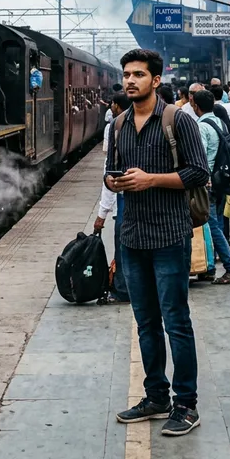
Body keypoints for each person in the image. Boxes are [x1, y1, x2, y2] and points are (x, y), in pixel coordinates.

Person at [106, 48, 208, 436]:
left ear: (156, 80)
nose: (130, 81)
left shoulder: (178, 121)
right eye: (127, 75)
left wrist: (151, 179)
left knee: (176, 322)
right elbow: (108, 174)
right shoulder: (117, 125)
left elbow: (198, 172)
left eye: (138, 75)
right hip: (132, 237)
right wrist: (113, 182)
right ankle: (156, 396)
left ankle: (186, 404)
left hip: (169, 236)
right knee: (145, 323)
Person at [190, 89, 230, 285]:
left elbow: (199, 156)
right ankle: (208, 268)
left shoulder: (201, 126)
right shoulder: (220, 121)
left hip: (207, 182)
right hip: (221, 181)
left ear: (195, 105)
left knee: (211, 226)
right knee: (216, 223)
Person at [95, 92, 132, 303]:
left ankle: (122, 290)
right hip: (140, 197)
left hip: (124, 199)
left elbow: (111, 174)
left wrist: (101, 214)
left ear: (117, 106)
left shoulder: (114, 126)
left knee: (122, 248)